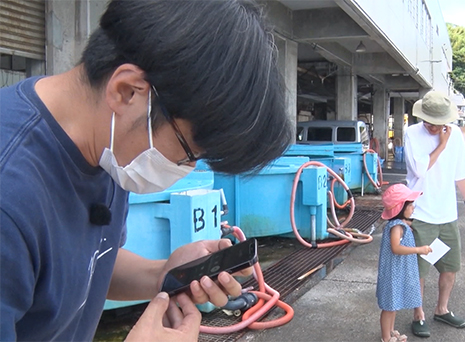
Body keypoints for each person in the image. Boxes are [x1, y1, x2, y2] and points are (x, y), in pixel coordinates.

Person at [0, 1, 293, 341]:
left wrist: (165, 274)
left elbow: (85, 263)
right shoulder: (10, 193)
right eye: (188, 151)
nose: (187, 168)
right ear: (128, 91)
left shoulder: (106, 142)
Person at [403, 91, 465, 338]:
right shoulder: (412, 133)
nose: (433, 127)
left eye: (438, 123)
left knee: (450, 267)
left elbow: (460, 171)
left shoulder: (455, 134)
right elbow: (420, 168)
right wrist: (442, 144)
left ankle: (442, 309)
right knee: (420, 271)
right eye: (429, 122)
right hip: (421, 213)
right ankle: (419, 315)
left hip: (447, 214)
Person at [377, 184, 432, 342]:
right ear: (400, 207)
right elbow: (396, 248)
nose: (413, 208)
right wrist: (418, 249)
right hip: (392, 273)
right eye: (410, 205)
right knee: (389, 307)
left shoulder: (401, 225)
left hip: (396, 272)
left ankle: (392, 330)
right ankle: (386, 338)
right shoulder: (397, 227)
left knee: (394, 304)